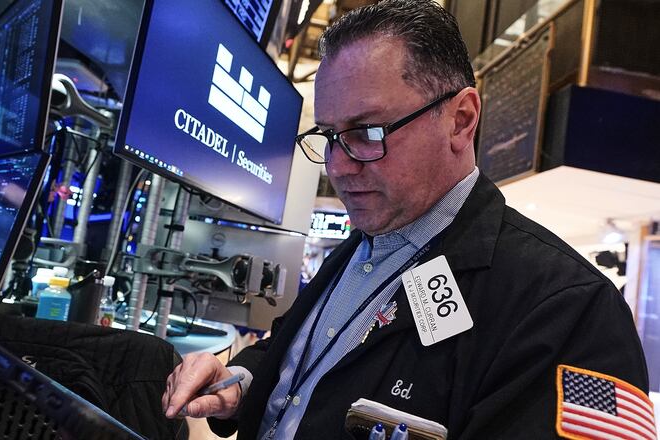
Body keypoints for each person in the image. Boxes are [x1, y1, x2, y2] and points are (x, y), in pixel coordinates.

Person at [161, 1, 651, 438]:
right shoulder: (363, 245)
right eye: (330, 135)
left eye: (368, 131)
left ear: (461, 119)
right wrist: (241, 382)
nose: (338, 165)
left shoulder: (570, 310)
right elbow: (307, 354)